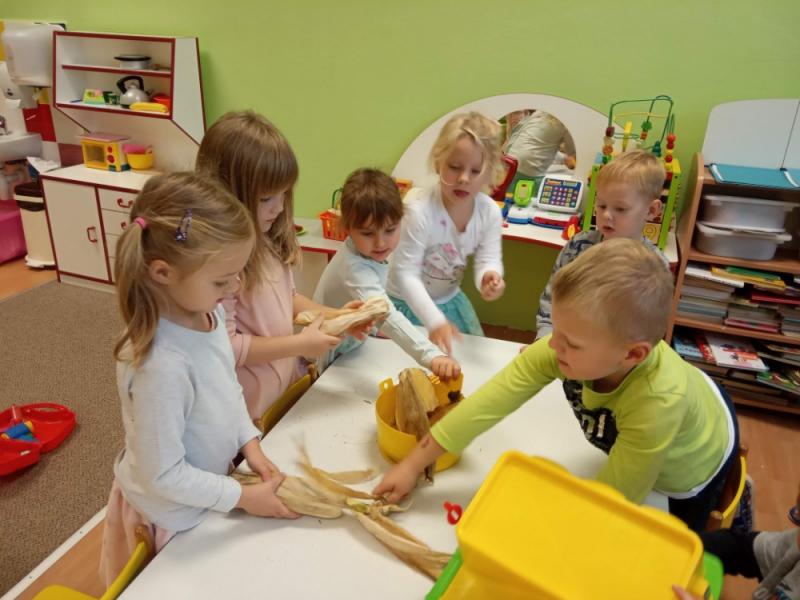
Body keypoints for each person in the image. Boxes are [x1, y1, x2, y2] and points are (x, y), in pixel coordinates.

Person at [375, 239, 738, 532]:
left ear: (632, 354)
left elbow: (613, 502)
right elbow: (484, 406)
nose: (553, 346)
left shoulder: (657, 405)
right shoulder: (572, 348)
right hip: (671, 417)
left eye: (571, 343)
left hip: (694, 464)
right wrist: (412, 465)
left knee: (671, 546)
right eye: (556, 330)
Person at [100, 173, 297, 586]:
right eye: (222, 280)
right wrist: (243, 497)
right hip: (170, 517)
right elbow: (163, 476)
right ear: (163, 272)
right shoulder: (161, 367)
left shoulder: (211, 313)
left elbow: (227, 389)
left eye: (238, 273)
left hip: (207, 495)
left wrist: (249, 442)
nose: (236, 287)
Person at [196, 110, 369, 423]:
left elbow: (289, 300)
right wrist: (300, 344)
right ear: (226, 196)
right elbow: (227, 347)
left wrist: (338, 317)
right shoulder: (222, 266)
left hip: (282, 385)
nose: (278, 207)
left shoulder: (268, 241)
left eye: (283, 194)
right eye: (265, 198)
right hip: (250, 408)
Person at [313, 167, 460, 379]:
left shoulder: (370, 251)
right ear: (347, 228)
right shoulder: (355, 268)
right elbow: (384, 313)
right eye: (367, 233)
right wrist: (431, 355)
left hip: (354, 343)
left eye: (390, 230)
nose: (381, 243)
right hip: (330, 353)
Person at [385, 111, 507, 355]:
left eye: (475, 171)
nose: (463, 178)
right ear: (438, 162)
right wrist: (434, 320)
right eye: (454, 167)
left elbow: (488, 258)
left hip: (450, 302)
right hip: (406, 304)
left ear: (490, 173)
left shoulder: (489, 212)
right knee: (405, 363)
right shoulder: (418, 211)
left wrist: (490, 276)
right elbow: (406, 275)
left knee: (459, 363)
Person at [536, 149, 667, 339]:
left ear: (651, 210)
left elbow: (648, 331)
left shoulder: (655, 266)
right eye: (602, 205)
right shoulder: (578, 247)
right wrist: (545, 339)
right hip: (566, 343)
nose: (606, 215)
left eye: (620, 209)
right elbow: (552, 300)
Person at [504, 110, 570, 195]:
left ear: (526, 113)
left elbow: (535, 148)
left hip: (514, 165)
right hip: (526, 169)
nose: (514, 118)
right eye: (513, 114)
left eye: (518, 113)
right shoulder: (539, 118)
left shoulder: (538, 115)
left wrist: (563, 158)